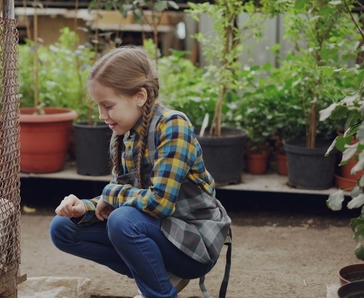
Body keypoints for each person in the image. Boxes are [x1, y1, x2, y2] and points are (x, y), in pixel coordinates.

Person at [49, 46, 231, 298]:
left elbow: (159, 204)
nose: (102, 116)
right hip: (158, 230)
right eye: (98, 107)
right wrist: (85, 208)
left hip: (194, 243)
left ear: (140, 96)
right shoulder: (123, 134)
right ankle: (160, 277)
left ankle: (159, 293)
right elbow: (118, 198)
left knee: (123, 221)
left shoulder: (172, 126)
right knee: (63, 227)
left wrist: (110, 193)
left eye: (108, 106)